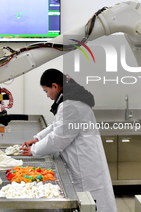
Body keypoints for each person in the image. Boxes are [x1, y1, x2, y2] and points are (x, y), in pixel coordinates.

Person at [20, 69, 117, 212]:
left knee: (90, 203)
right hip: (83, 159)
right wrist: (37, 139)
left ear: (55, 86)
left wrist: (34, 150)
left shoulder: (70, 104)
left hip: (85, 165)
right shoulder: (70, 100)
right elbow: (57, 125)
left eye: (46, 91)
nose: (47, 96)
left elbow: (59, 138)